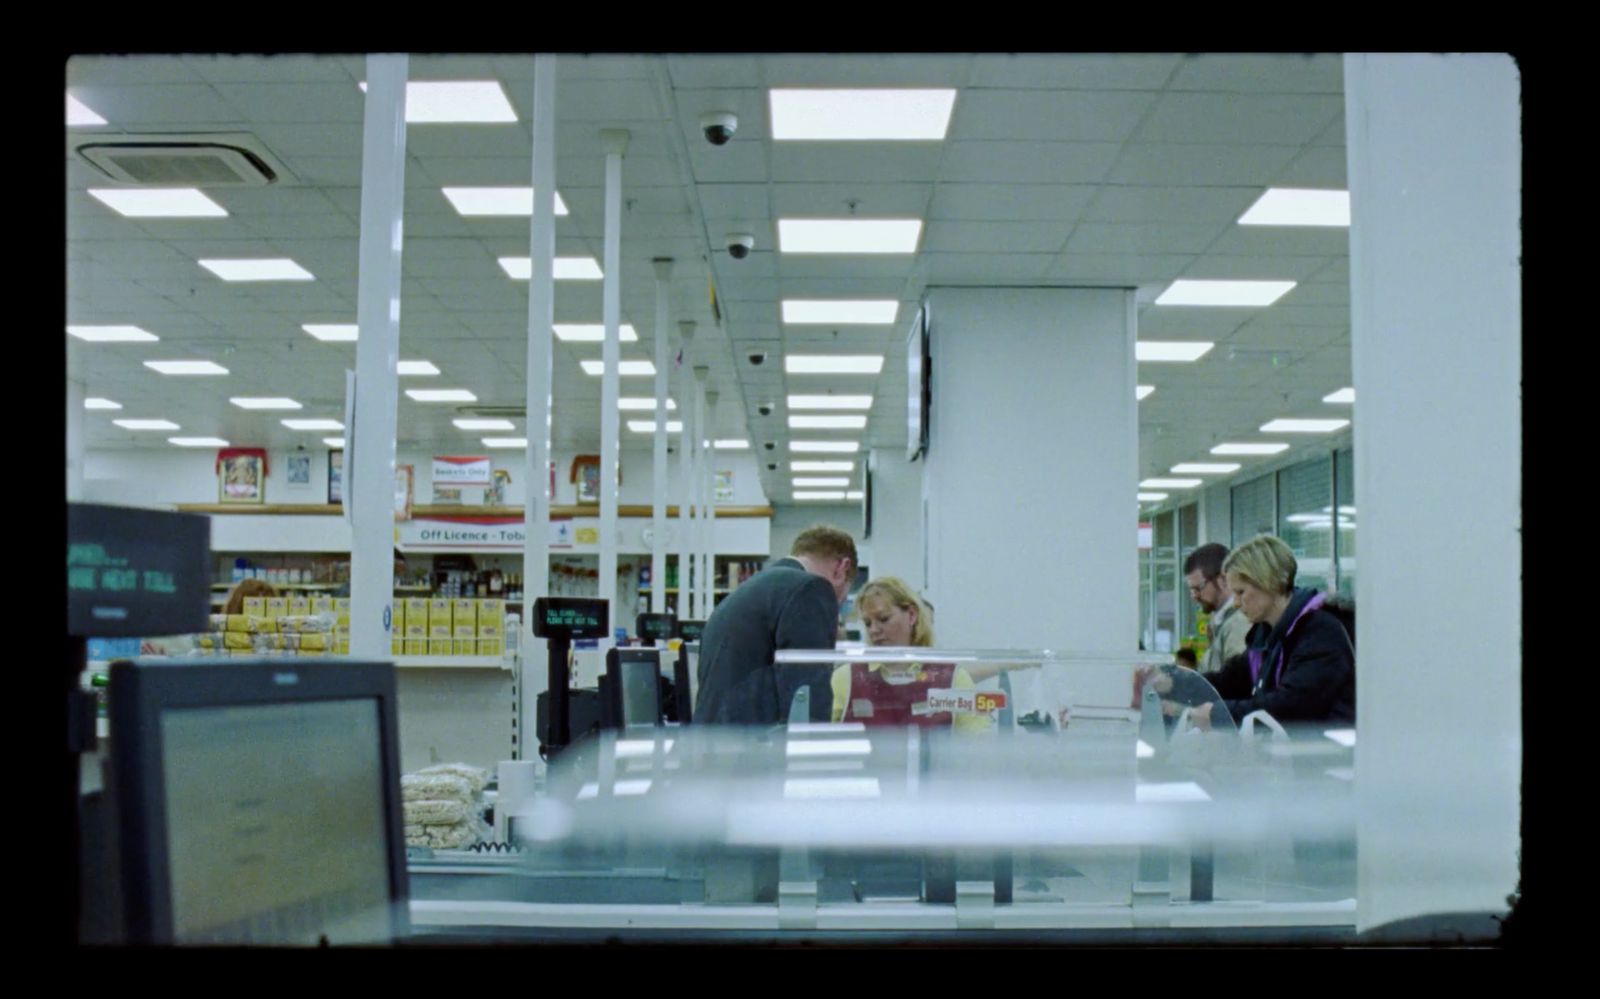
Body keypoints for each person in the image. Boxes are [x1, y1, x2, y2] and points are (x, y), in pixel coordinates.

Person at [1190, 534, 1355, 730]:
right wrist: (1173, 684)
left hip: (1329, 755)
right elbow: (1229, 680)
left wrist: (1219, 713)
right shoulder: (1267, 636)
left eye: (1241, 592)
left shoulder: (1320, 633)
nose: (1235, 602)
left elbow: (1290, 707)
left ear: (1269, 582)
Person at [695, 525, 857, 724]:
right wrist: (814, 747)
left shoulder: (752, 589)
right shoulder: (811, 589)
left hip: (717, 740)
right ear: (842, 568)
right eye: (840, 599)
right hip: (757, 746)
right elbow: (808, 693)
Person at [830, 576, 989, 734]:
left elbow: (977, 749)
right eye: (868, 623)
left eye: (883, 619)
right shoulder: (846, 679)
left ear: (911, 615)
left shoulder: (953, 678)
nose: (874, 630)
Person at [1184, 542, 1252, 678]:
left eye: (1198, 588)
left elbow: (1236, 683)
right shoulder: (1221, 623)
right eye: (1191, 590)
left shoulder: (1238, 623)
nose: (1194, 596)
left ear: (1223, 579)